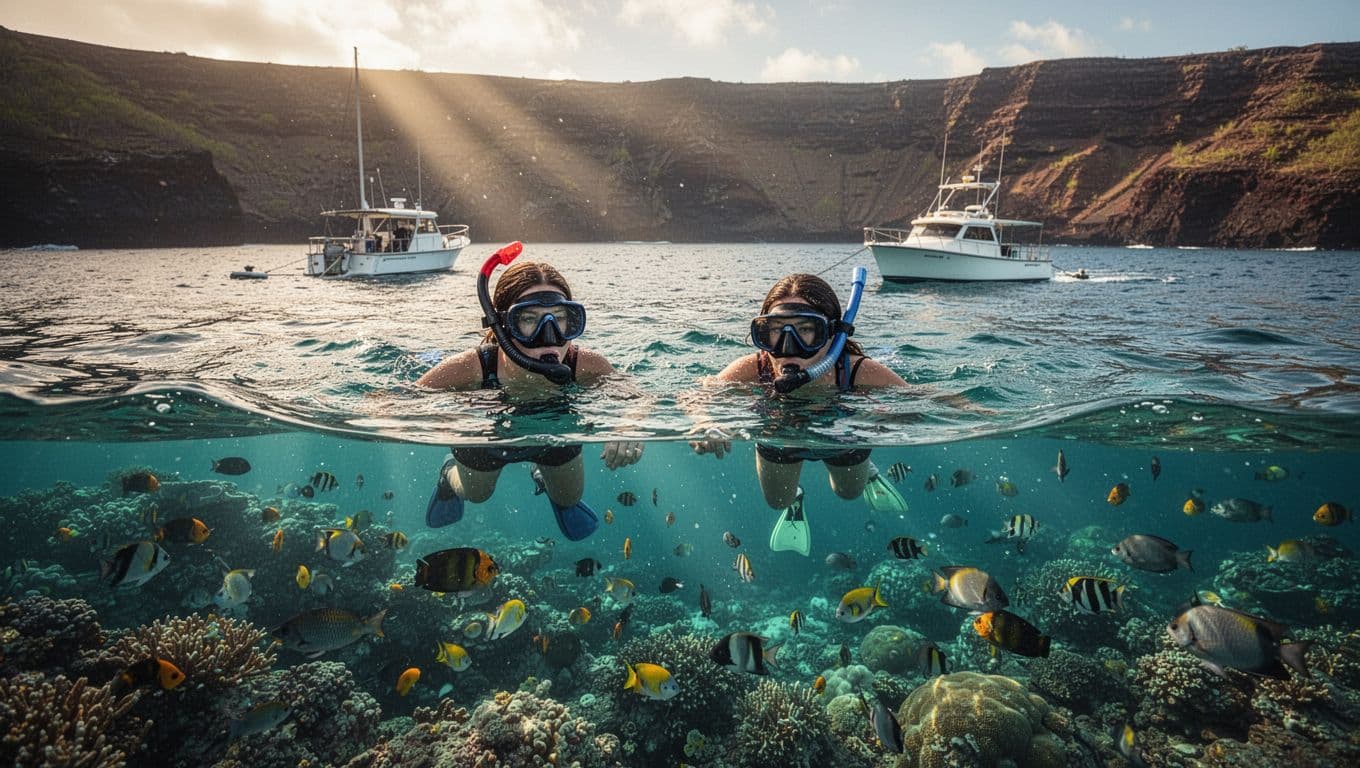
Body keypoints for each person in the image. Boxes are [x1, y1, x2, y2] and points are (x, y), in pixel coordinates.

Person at [417, 242, 644, 540]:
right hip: (484, 433)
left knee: (568, 498)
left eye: (560, 319)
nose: (549, 336)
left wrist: (629, 425)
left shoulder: (585, 364)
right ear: (502, 326)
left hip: (556, 426)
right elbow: (390, 402)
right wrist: (442, 421)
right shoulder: (471, 367)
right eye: (528, 319)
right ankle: (449, 475)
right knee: (477, 494)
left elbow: (637, 398)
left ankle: (544, 476)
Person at [690, 270, 909, 554]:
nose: (788, 345)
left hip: (844, 440)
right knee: (778, 501)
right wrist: (706, 421)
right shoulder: (753, 369)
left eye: (805, 329)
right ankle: (797, 499)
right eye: (776, 329)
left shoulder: (856, 370)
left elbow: (937, 403)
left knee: (848, 494)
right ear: (762, 332)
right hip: (779, 436)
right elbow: (698, 395)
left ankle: (870, 473)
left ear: (832, 334)